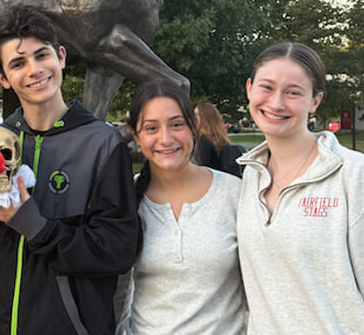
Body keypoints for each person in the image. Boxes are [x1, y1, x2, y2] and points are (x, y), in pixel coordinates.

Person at [0, 6, 141, 335]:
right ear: (3, 77)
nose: (33, 70)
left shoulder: (102, 144)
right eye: (17, 63)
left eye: (41, 55)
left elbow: (116, 251)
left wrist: (35, 225)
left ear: (60, 57)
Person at [237, 42, 364, 333]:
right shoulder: (248, 176)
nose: (277, 103)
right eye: (266, 87)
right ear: (249, 89)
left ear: (315, 101)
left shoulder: (354, 175)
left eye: (293, 92)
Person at [115, 80, 246, 334]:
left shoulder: (234, 194)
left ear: (194, 127)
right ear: (136, 135)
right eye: (151, 128)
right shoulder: (125, 199)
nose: (166, 139)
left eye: (176, 125)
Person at [194, 102, 244, 177]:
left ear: (204, 118)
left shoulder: (204, 140)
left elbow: (203, 169)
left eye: (195, 115)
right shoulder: (219, 138)